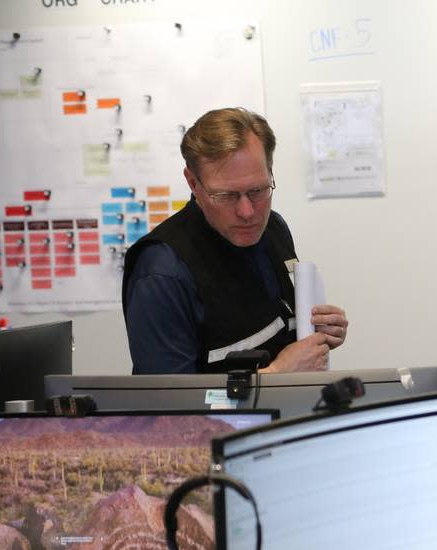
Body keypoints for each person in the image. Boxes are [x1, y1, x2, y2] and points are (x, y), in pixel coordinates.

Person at [122, 107, 348, 374]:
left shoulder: (273, 227)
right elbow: (169, 409)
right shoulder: (162, 272)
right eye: (227, 196)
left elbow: (274, 328)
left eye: (258, 190)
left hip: (290, 412)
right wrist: (275, 376)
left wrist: (317, 333)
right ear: (193, 183)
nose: (247, 212)